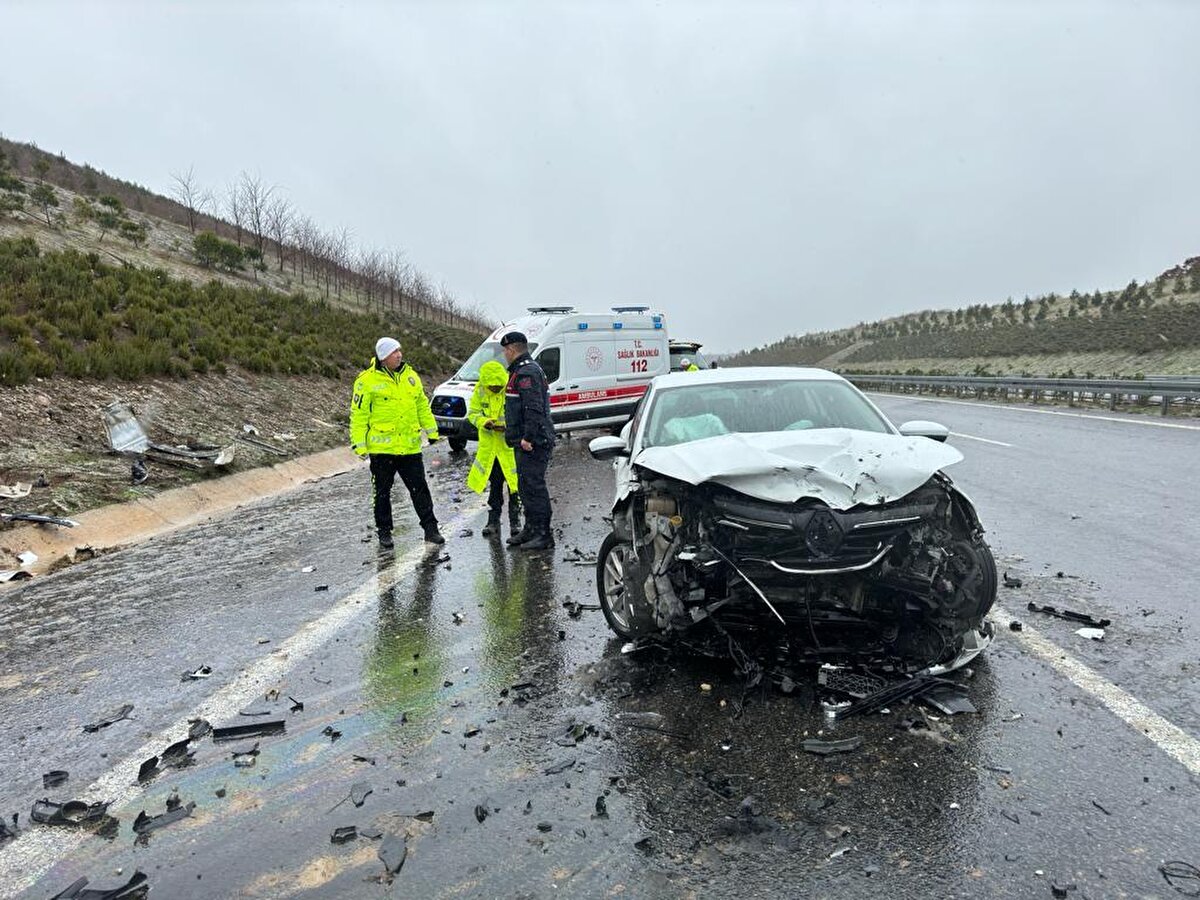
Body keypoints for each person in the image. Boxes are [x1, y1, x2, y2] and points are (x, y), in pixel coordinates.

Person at [349, 337, 444, 548]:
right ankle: (384, 532)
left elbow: (421, 405)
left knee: (420, 490)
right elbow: (358, 415)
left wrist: (432, 429)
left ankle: (431, 529)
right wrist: (359, 444)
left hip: (410, 448)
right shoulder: (366, 381)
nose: (399, 355)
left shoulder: (411, 377)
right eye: (394, 352)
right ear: (383, 357)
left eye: (399, 351)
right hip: (382, 450)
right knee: (382, 493)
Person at [500, 331, 555, 551]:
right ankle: (531, 529)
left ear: (511, 350)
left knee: (534, 487)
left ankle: (543, 534)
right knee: (525, 486)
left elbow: (533, 408)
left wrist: (527, 437)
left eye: (505, 351)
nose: (504, 354)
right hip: (525, 440)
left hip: (534, 441)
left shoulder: (526, 373)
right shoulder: (523, 370)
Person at [466, 360, 521, 538]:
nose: (496, 389)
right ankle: (493, 521)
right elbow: (473, 414)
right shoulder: (480, 390)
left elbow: (520, 415)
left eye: (499, 387)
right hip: (491, 449)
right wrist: (484, 422)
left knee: (515, 486)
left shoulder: (511, 390)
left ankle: (515, 523)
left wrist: (508, 427)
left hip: (508, 447)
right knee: (495, 486)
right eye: (493, 387)